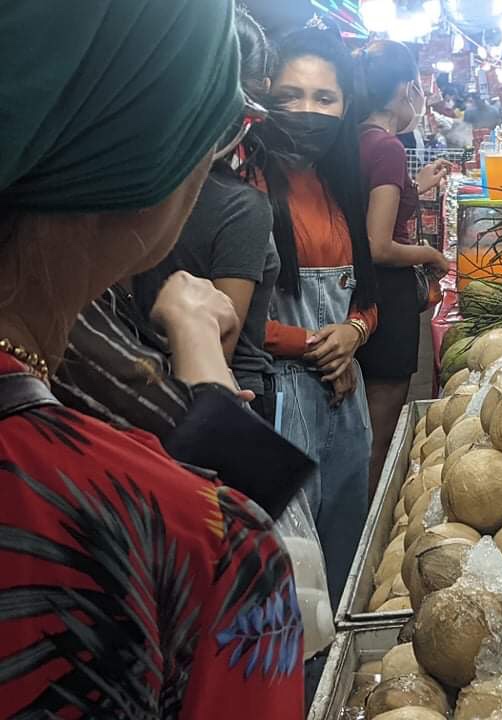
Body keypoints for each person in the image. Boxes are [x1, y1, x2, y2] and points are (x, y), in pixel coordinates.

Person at [0, 1, 304, 718]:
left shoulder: (73, 315)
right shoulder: (209, 549)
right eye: (221, 127)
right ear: (148, 171)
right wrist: (202, 349)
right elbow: (205, 506)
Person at [250, 27, 378, 611]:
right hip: (277, 400)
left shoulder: (339, 186)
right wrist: (310, 345)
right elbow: (231, 320)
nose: (308, 111)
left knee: (347, 554)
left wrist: (352, 334)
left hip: (344, 397)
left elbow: (368, 299)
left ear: (345, 105)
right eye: (290, 97)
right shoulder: (244, 189)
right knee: (292, 575)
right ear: (266, 99)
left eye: (324, 98)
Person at [132, 9, 280, 413]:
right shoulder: (240, 206)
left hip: (142, 391)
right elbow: (220, 349)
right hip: (213, 398)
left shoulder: (129, 184)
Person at [355, 40, 451, 498]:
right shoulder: (388, 147)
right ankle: (363, 528)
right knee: (379, 424)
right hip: (387, 297)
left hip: (359, 292)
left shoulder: (361, 138)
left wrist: (415, 186)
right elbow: (378, 244)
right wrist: (432, 258)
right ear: (406, 89)